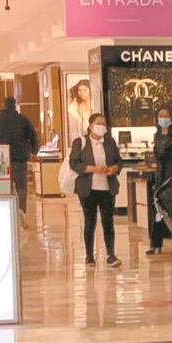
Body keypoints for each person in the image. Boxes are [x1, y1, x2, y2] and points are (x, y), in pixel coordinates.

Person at [69, 113, 122, 269]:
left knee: (108, 222)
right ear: (91, 125)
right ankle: (89, 256)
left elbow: (119, 161)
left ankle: (111, 254)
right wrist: (91, 169)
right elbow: (74, 163)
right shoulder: (81, 142)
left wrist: (114, 169)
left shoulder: (110, 142)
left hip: (107, 188)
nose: (101, 126)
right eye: (98, 123)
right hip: (88, 189)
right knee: (90, 222)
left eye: (104, 124)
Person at [0, 97, 38, 216]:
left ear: (2, 105)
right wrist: (32, 151)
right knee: (21, 188)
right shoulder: (23, 120)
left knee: (3, 187)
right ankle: (21, 212)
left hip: (1, 160)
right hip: (19, 159)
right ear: (15, 106)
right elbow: (34, 137)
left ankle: (4, 212)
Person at [147, 106, 172, 257]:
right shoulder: (157, 135)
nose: (163, 118)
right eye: (160, 115)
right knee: (158, 212)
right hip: (160, 178)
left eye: (166, 115)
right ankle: (156, 243)